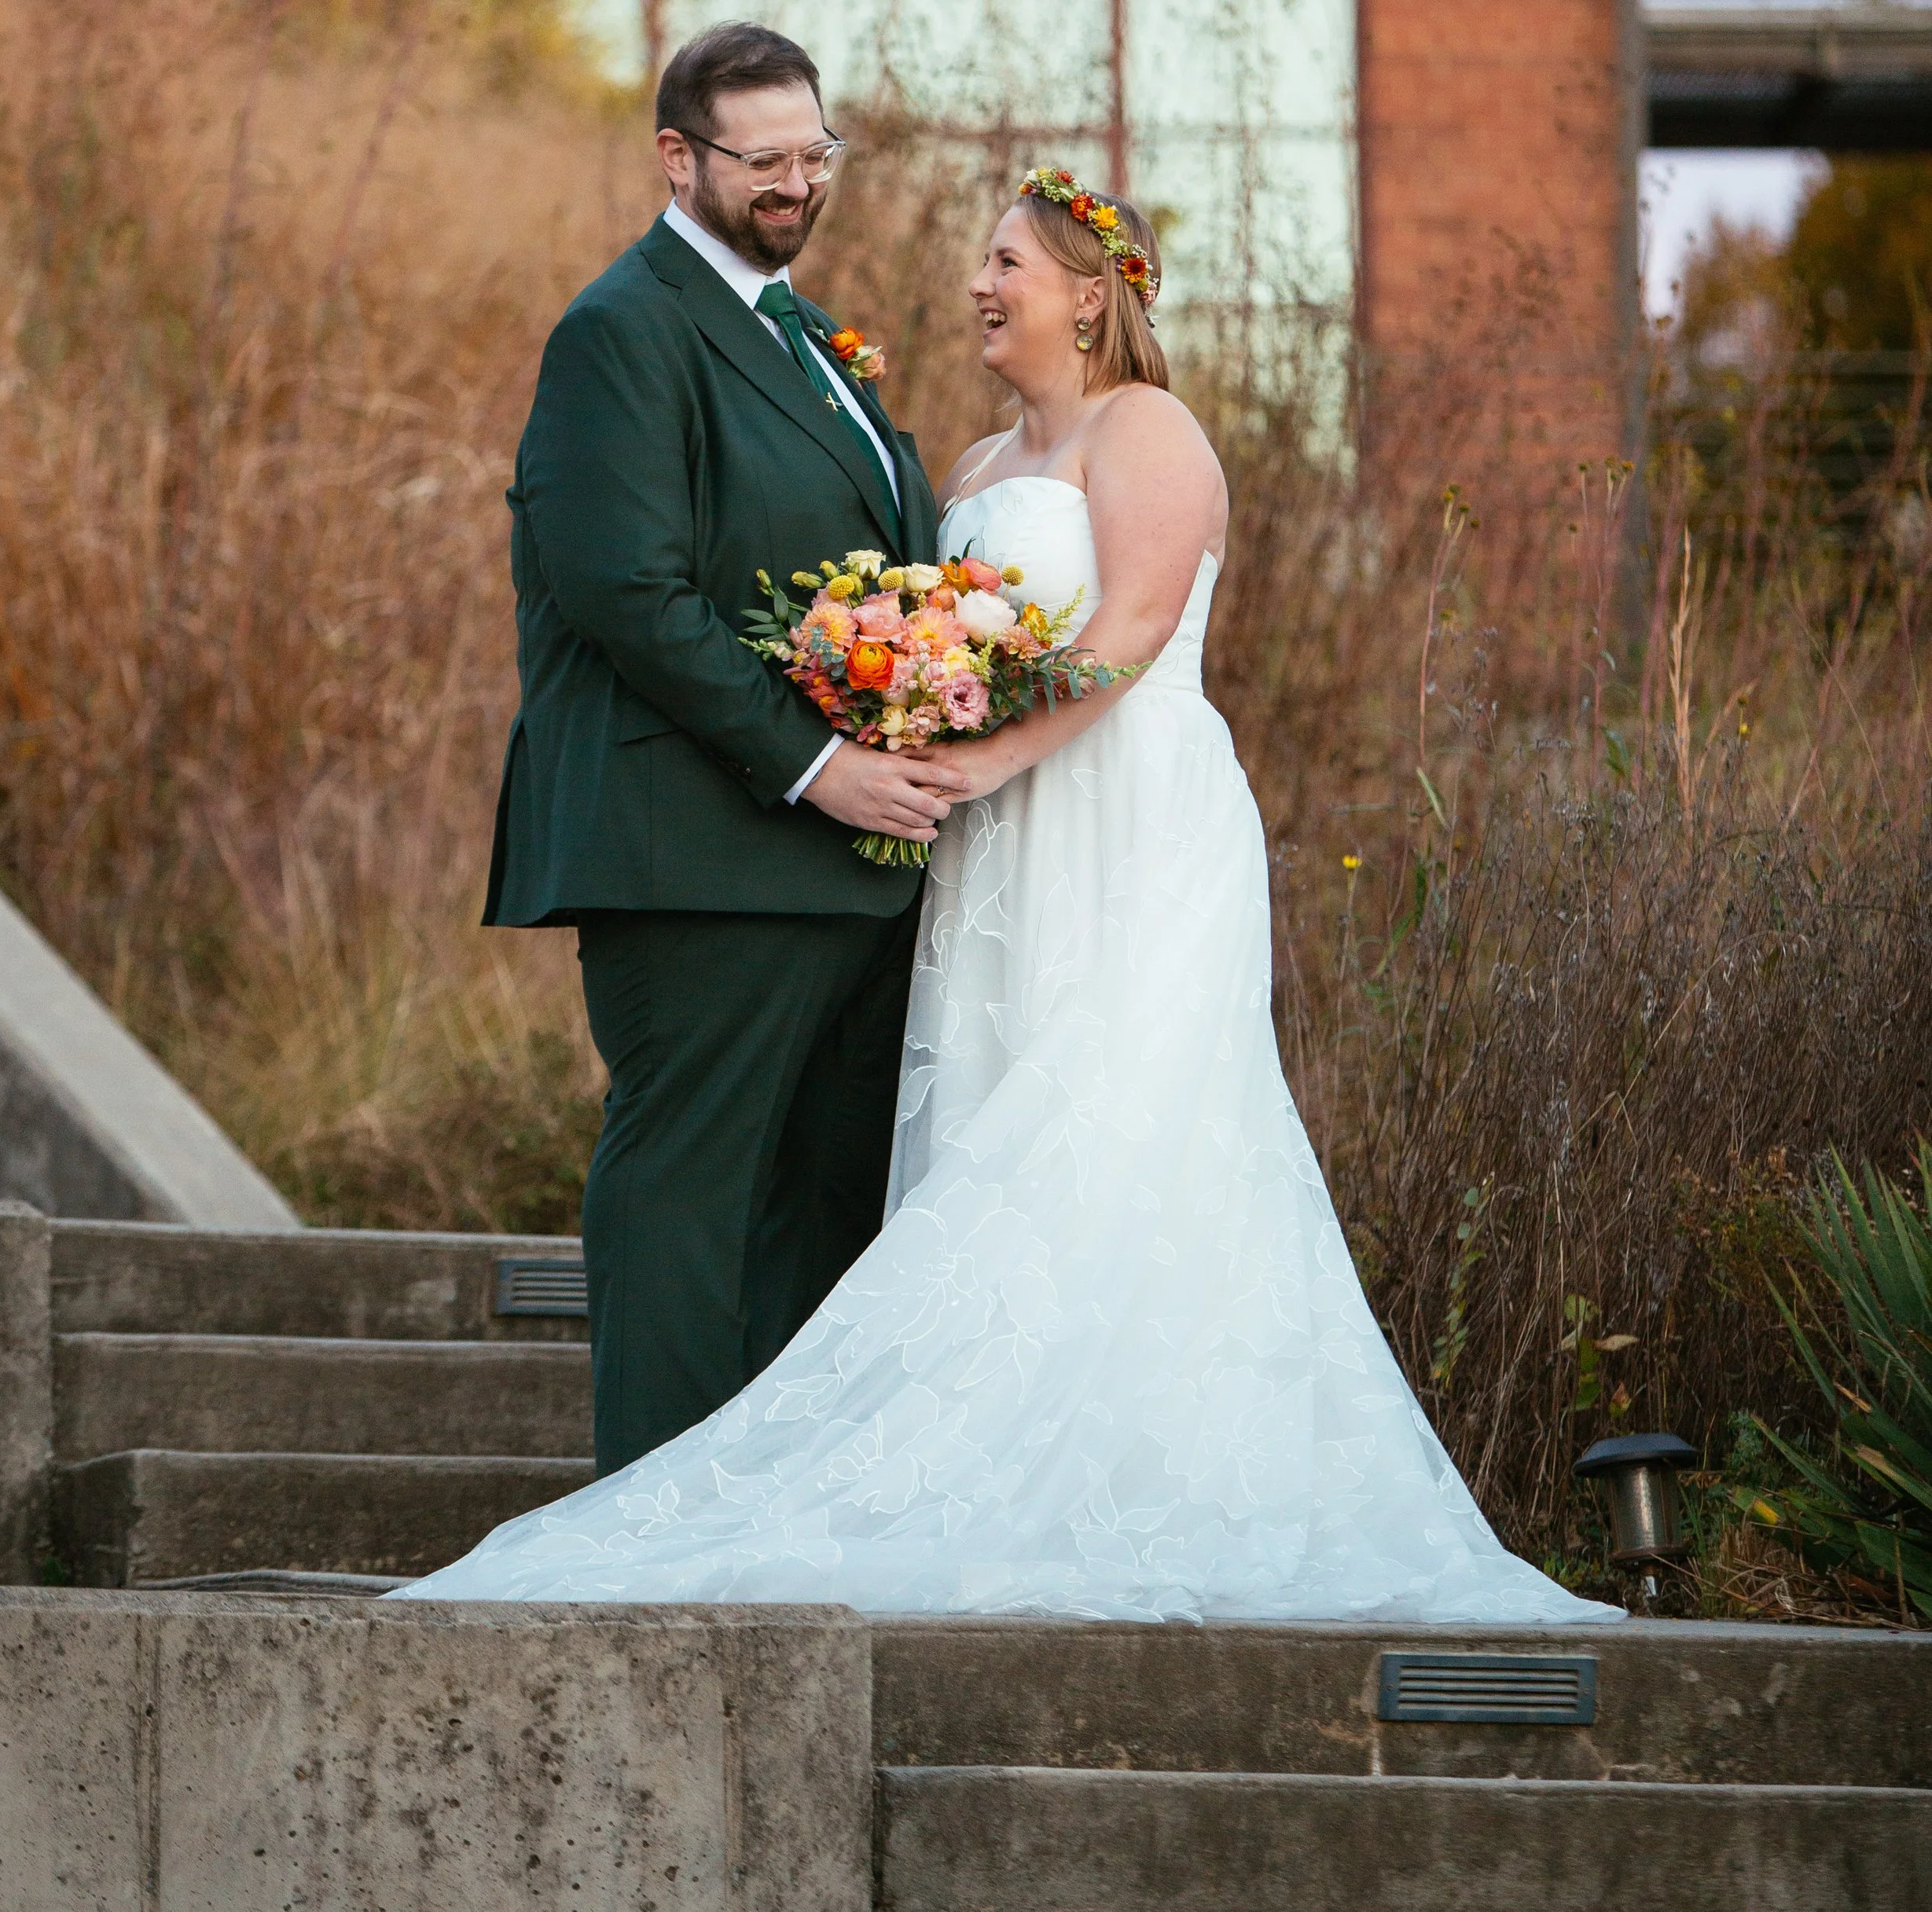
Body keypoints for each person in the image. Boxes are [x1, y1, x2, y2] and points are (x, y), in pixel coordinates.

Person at [402, 164, 1616, 1624]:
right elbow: (927, 630)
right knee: (988, 1117)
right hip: (990, 849)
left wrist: (990, 754)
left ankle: (1152, 1469)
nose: (979, 284)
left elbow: (1133, 629)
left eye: (1006, 263)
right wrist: (898, 721)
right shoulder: (965, 472)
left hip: (1126, 816)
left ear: (1090, 295)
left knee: (1123, 1115)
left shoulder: (1147, 430)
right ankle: (983, 1438)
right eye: (983, 262)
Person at [480, 19, 962, 1477]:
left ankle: (768, 1511)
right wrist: (826, 765)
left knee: (817, 1207)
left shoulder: (804, 333)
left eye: (818, 153)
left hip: (841, 867)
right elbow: (628, 591)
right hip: (693, 853)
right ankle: (652, 1529)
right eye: (765, 158)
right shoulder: (621, 330)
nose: (798, 183)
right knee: (689, 1195)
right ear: (678, 157)